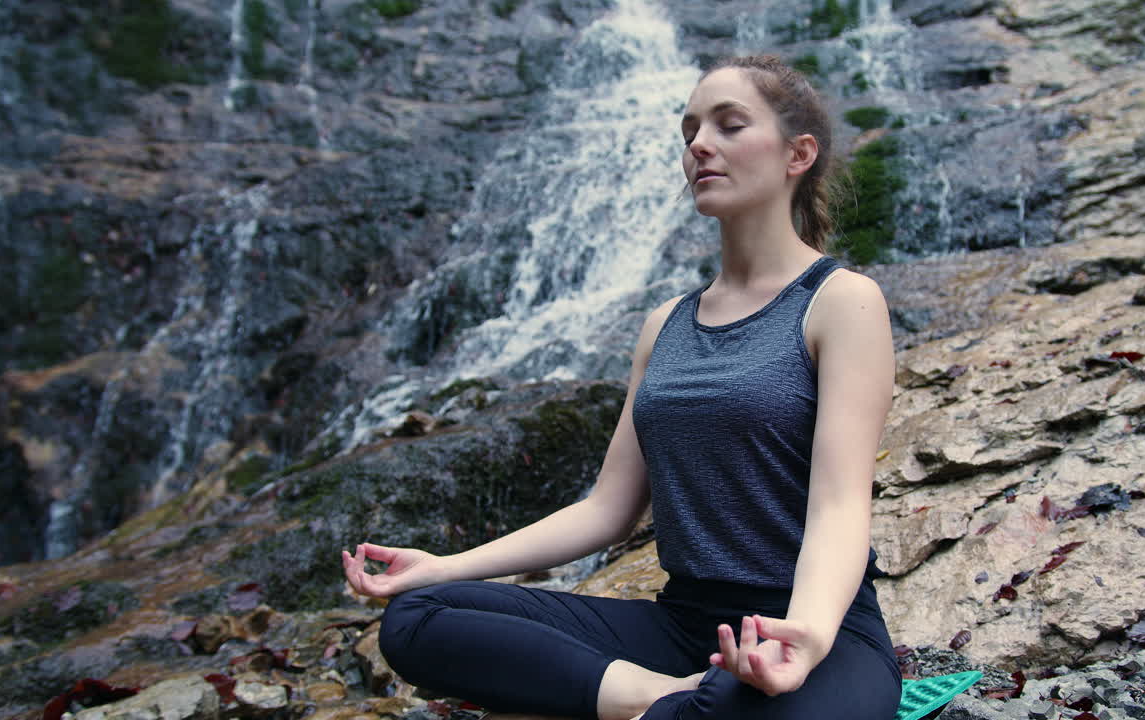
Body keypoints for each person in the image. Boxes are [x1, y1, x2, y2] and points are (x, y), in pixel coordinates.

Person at [341, 54, 901, 720]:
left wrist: (801, 640)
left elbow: (840, 509)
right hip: (683, 628)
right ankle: (658, 695)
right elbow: (607, 509)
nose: (699, 144)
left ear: (797, 153)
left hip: (818, 635)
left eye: (729, 124)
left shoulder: (841, 302)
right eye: (690, 129)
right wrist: (445, 565)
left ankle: (675, 700)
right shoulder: (664, 324)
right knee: (415, 617)